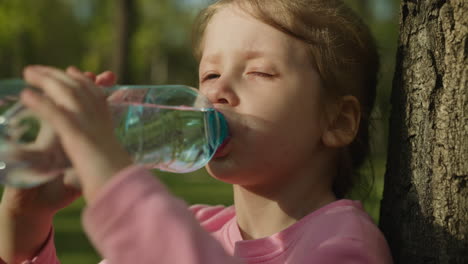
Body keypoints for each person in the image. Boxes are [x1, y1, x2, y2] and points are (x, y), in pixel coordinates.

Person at [0, 0, 393, 263]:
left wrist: (114, 178)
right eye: (210, 74)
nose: (217, 91)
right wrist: (26, 231)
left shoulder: (345, 244)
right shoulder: (193, 226)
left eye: (258, 72)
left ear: (337, 121)